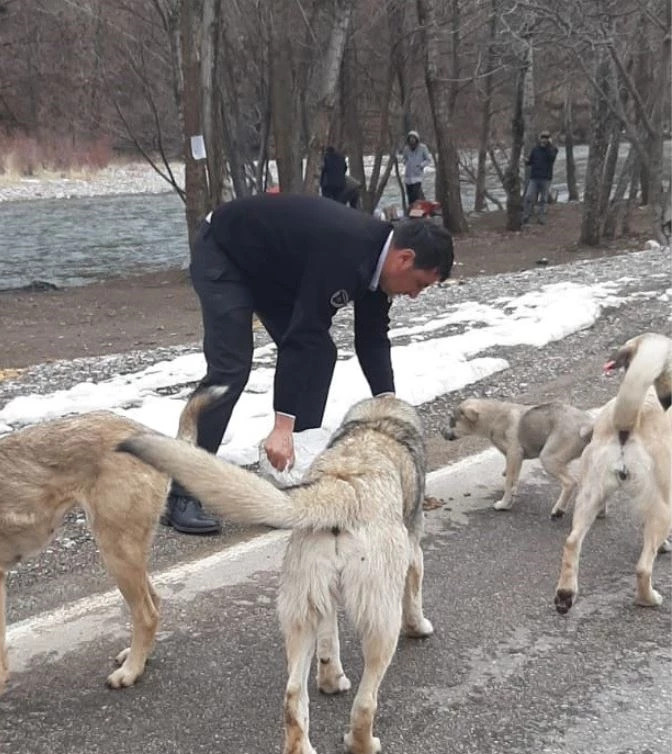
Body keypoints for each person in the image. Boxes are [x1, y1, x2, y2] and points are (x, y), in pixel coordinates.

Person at [163, 193, 455, 534]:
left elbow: (372, 338)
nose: (415, 294)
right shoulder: (346, 252)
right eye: (420, 284)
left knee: (321, 353)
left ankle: (294, 471)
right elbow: (301, 335)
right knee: (231, 368)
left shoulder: (379, 264)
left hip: (273, 268)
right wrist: (281, 426)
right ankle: (180, 493)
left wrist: (387, 401)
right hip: (225, 252)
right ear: (404, 259)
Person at [522, 130, 558, 224]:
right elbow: (531, 161)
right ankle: (526, 216)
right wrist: (526, 161)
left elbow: (552, 158)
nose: (544, 140)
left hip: (546, 178)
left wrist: (549, 146)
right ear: (540, 138)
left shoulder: (552, 150)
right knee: (528, 196)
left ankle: (541, 218)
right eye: (543, 137)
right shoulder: (535, 149)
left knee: (543, 199)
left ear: (549, 139)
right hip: (534, 178)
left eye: (546, 138)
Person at [402, 130, 433, 207]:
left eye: (413, 138)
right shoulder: (406, 149)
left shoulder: (423, 148)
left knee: (415, 195)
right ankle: (411, 211)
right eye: (410, 139)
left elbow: (428, 160)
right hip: (408, 176)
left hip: (417, 175)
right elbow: (404, 158)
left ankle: (416, 211)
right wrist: (405, 162)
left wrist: (421, 165)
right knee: (409, 196)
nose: (412, 140)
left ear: (417, 139)